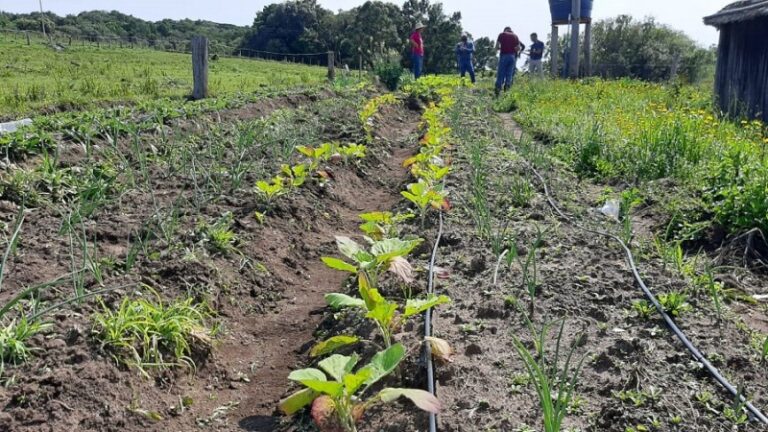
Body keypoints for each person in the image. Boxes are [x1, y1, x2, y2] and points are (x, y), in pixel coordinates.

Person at [494, 27, 520, 96]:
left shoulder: (502, 34)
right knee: (509, 73)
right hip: (512, 57)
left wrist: (497, 49)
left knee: (501, 72)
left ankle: (498, 89)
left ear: (505, 30)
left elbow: (497, 46)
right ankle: (507, 88)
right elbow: (518, 48)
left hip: (504, 56)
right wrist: (511, 49)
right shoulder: (515, 36)